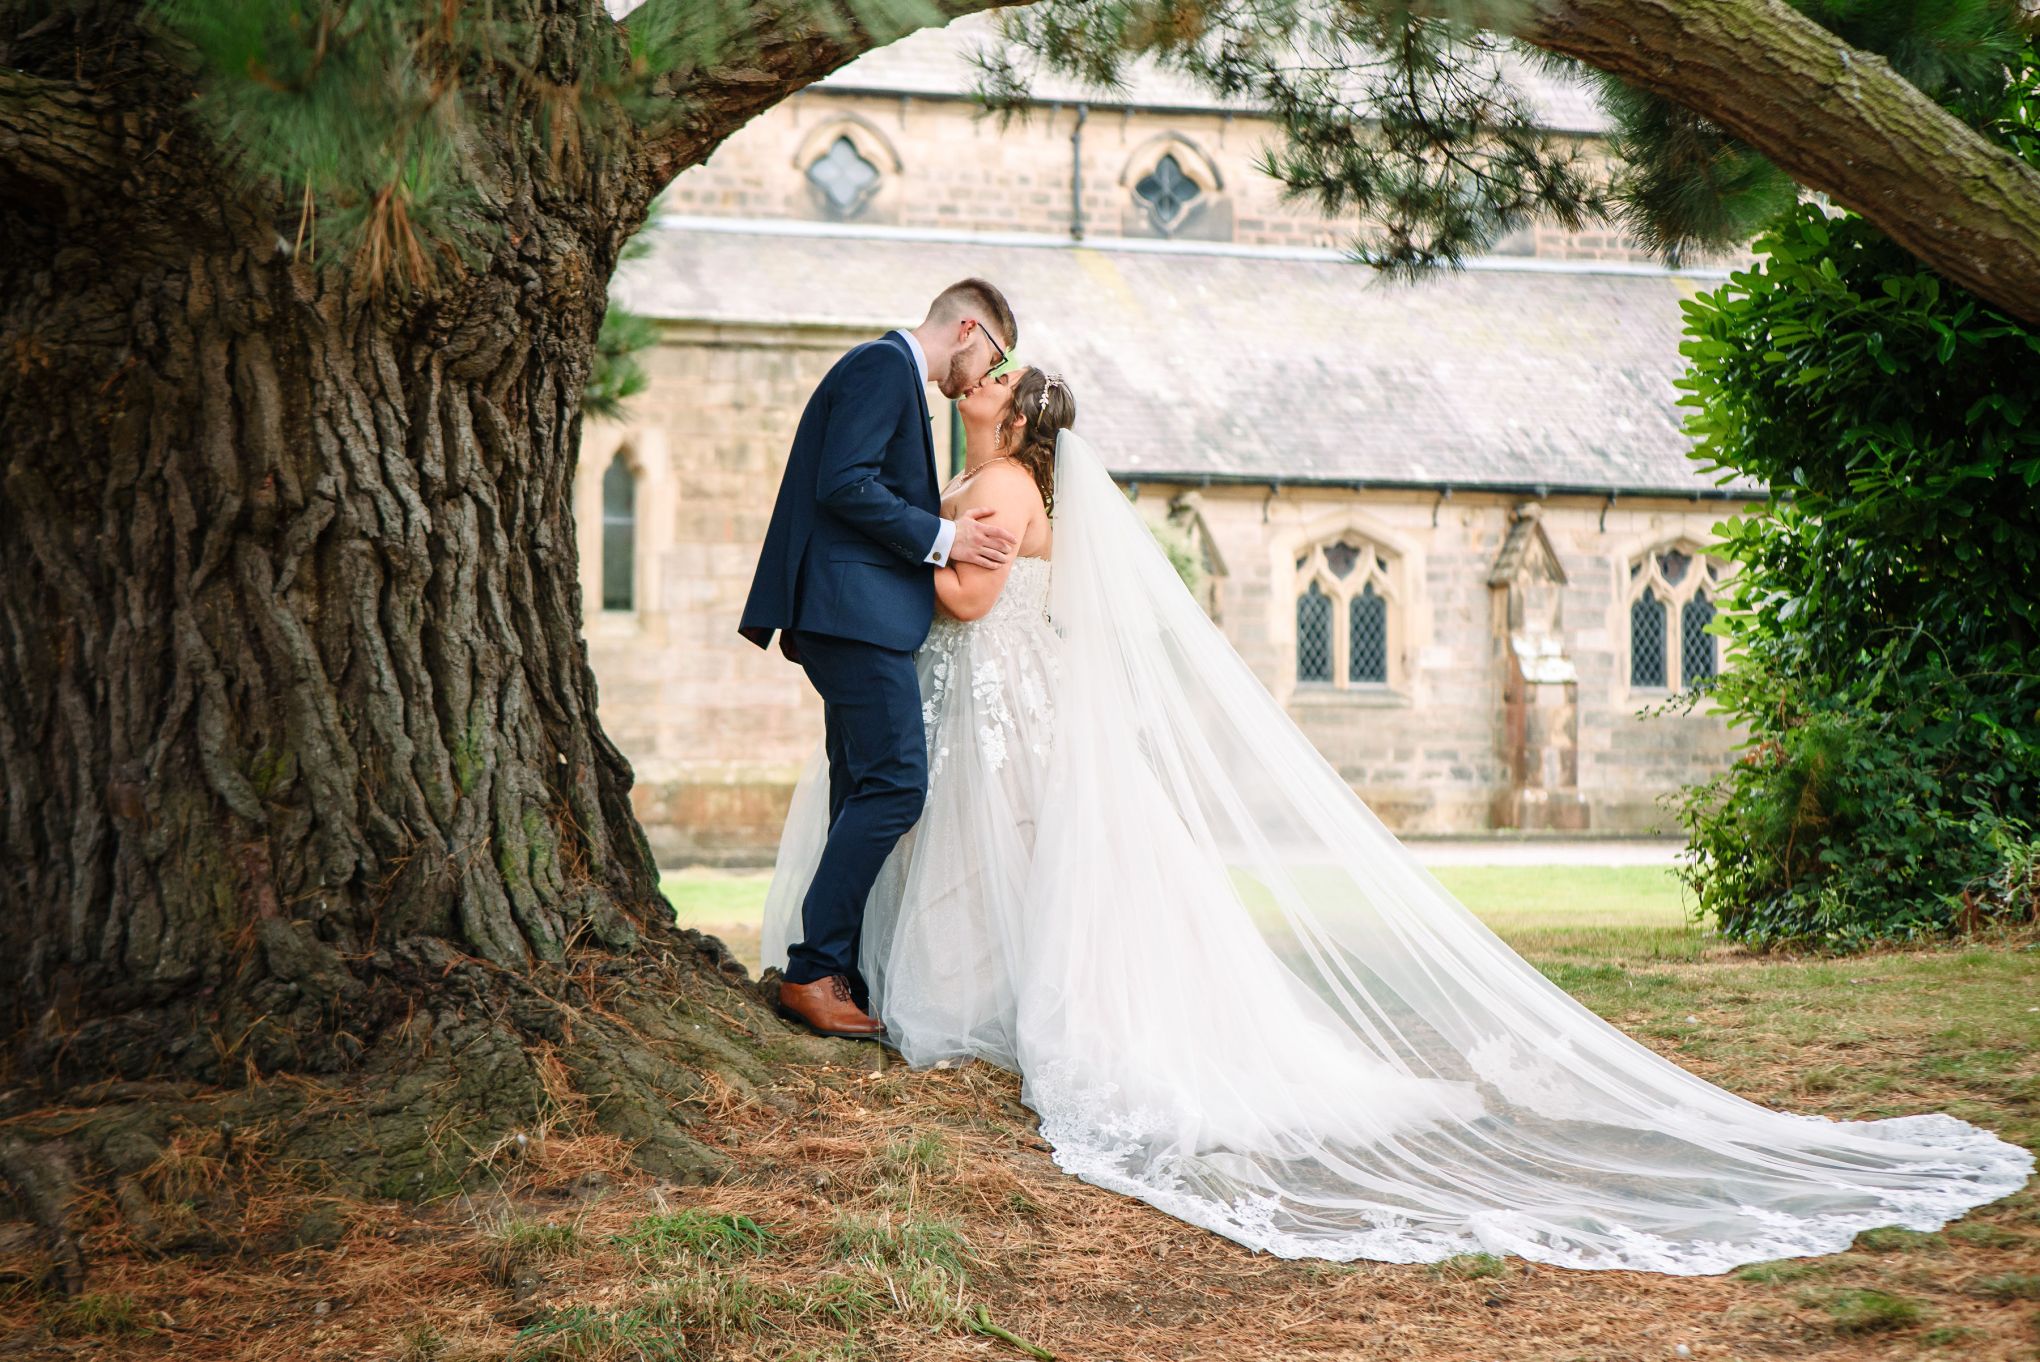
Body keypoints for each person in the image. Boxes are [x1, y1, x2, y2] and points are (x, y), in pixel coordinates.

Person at [763, 368, 2032, 1274]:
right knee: (1016, 865)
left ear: (1011, 415)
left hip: (995, 698)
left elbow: (975, 610)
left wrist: (910, 577)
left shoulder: (989, 484)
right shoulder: (1001, 475)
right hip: (1008, 712)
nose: (972, 374)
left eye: (991, 372)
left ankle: (979, 1005)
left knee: (1006, 859)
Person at [740, 279, 1021, 1040]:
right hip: (852, 617)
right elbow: (845, 485)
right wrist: (948, 538)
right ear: (968, 328)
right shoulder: (880, 367)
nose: (989, 374)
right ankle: (810, 971)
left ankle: (838, 970)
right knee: (898, 783)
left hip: (852, 615)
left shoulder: (892, 377)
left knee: (861, 785)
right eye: (995, 354)